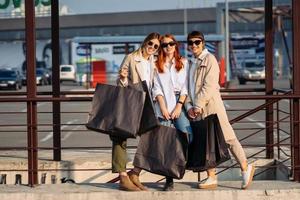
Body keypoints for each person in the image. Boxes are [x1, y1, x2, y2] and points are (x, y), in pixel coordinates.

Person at [185, 31, 255, 190]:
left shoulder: (210, 60)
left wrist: (197, 105)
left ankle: (245, 167)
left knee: (228, 138)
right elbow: (187, 89)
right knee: (206, 142)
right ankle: (211, 177)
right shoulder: (191, 63)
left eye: (197, 42)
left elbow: (209, 86)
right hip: (198, 110)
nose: (194, 45)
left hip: (212, 107)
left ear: (203, 43)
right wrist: (189, 106)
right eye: (191, 43)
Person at [113, 32, 161, 191]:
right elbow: (121, 84)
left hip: (149, 104)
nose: (152, 48)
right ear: (145, 42)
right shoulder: (131, 58)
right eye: (150, 44)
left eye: (156, 47)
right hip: (131, 101)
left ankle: (135, 172)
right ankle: (123, 176)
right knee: (120, 137)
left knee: (152, 136)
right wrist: (123, 78)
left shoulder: (154, 61)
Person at [152, 34, 192, 191]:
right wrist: (163, 107)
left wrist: (178, 106)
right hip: (163, 102)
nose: (168, 47)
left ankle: (180, 162)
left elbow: (186, 87)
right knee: (166, 142)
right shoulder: (156, 64)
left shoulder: (184, 63)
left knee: (187, 135)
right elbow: (156, 87)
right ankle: (169, 180)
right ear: (161, 48)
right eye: (164, 45)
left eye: (171, 44)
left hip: (179, 102)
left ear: (176, 45)